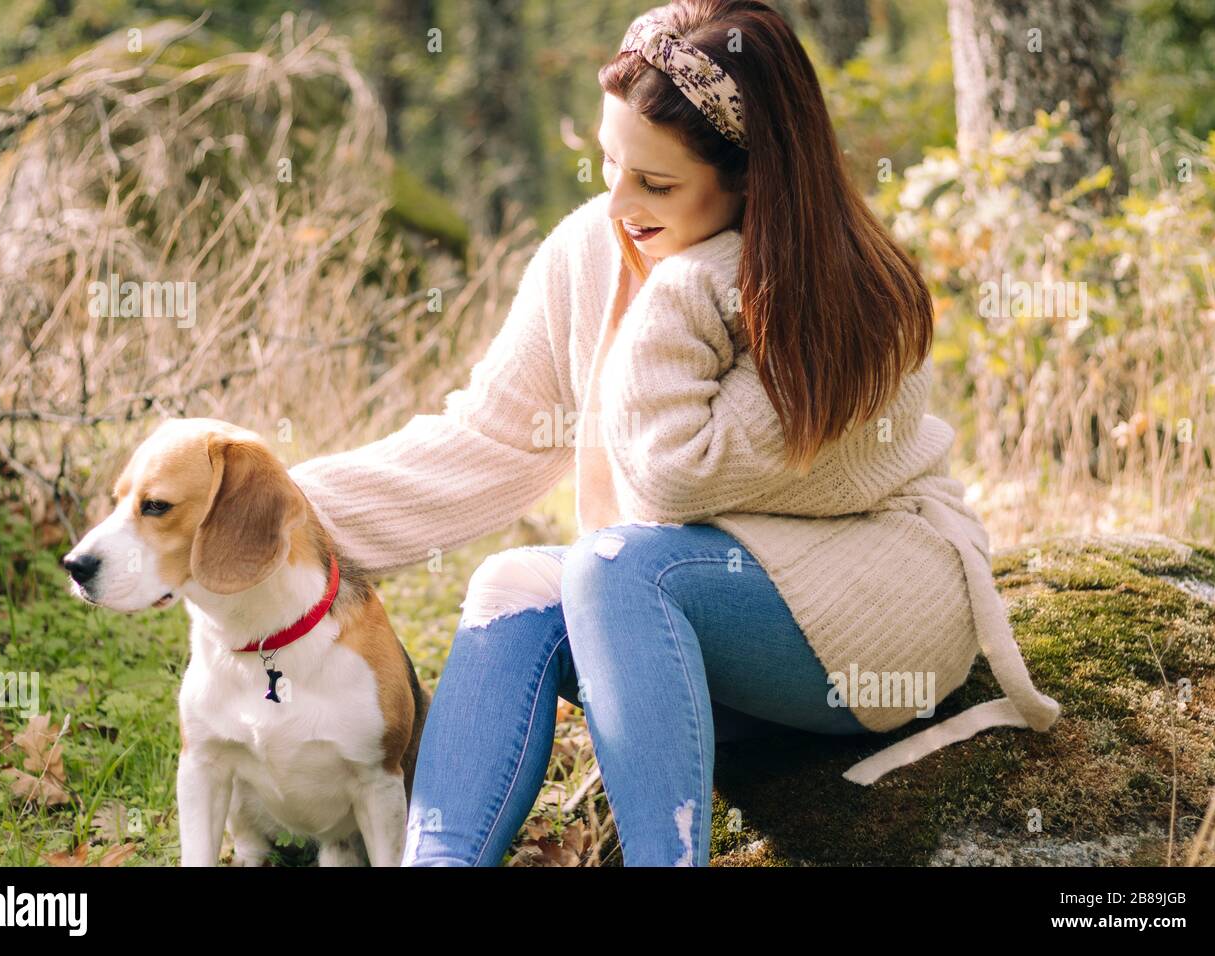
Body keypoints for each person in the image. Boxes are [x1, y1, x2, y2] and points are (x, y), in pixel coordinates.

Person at [288, 0, 1060, 867]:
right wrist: (275, 510)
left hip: (873, 616)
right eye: (610, 163)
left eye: (655, 184)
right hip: (680, 625)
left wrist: (681, 288)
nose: (618, 205)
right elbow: (488, 439)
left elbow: (672, 480)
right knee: (513, 581)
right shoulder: (592, 248)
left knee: (616, 564)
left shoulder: (850, 298)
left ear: (754, 182)